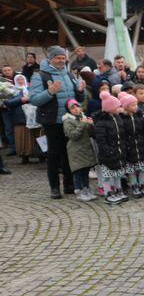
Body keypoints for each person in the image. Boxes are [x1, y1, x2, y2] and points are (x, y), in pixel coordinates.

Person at [30, 46, 86, 199]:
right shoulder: (40, 76)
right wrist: (50, 92)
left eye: (63, 58)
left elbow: (78, 99)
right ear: (50, 59)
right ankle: (54, 187)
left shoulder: (68, 74)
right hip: (52, 122)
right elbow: (33, 99)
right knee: (54, 155)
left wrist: (81, 91)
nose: (61, 60)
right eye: (58, 58)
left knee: (69, 153)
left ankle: (69, 185)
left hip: (69, 121)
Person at [93, 91, 128, 204]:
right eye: (117, 106)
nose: (119, 108)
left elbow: (121, 135)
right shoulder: (101, 122)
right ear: (110, 108)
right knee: (107, 176)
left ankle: (118, 191)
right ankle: (109, 194)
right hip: (108, 155)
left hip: (118, 152)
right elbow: (101, 140)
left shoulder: (117, 118)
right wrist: (109, 151)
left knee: (117, 174)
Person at [119, 91, 144, 198]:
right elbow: (121, 134)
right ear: (126, 107)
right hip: (130, 147)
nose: (136, 107)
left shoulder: (139, 116)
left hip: (140, 145)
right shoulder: (122, 118)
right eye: (133, 105)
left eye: (136, 104)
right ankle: (134, 186)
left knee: (142, 168)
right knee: (132, 169)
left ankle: (142, 185)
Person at [62, 99, 97, 201]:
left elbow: (91, 133)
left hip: (85, 148)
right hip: (76, 150)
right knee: (78, 171)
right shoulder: (67, 121)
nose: (76, 109)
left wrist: (91, 125)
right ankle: (79, 190)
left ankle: (86, 188)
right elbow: (73, 135)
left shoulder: (83, 117)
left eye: (77, 106)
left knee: (86, 170)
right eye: (72, 108)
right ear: (69, 110)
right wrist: (82, 124)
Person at [4, 75, 42, 164]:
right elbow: (8, 103)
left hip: (35, 118)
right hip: (20, 118)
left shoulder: (31, 89)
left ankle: (42, 155)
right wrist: (21, 100)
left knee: (39, 136)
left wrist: (30, 98)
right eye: (18, 79)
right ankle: (25, 156)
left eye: (22, 79)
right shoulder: (12, 91)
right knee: (23, 138)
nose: (20, 81)